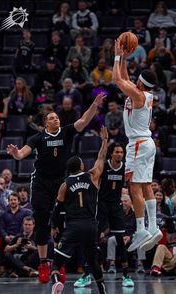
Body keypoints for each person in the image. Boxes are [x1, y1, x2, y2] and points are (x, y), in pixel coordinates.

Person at [6, 93, 105, 283]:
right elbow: (22, 154)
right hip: (42, 182)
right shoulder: (38, 138)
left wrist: (94, 104)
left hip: (61, 182)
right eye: (51, 118)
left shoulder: (66, 132)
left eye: (57, 117)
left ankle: (58, 265)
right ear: (45, 124)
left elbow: (84, 120)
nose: (55, 119)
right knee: (42, 222)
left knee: (62, 222)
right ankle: (43, 263)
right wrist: (16, 153)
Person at [113, 39, 162, 253]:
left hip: (138, 144)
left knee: (133, 186)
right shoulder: (143, 93)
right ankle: (153, 226)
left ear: (140, 83)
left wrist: (115, 55)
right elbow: (124, 77)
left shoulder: (138, 95)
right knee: (146, 185)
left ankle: (141, 228)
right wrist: (124, 57)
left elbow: (116, 79)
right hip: (147, 143)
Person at [50, 127, 108, 294]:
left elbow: (57, 209)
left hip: (74, 226)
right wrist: (104, 140)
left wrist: (54, 226)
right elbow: (101, 157)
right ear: (81, 166)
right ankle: (102, 290)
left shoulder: (65, 184)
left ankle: (55, 283)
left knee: (57, 262)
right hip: (91, 226)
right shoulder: (92, 176)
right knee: (93, 261)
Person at [97, 143, 134, 286]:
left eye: (121, 152)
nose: (120, 154)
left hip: (116, 205)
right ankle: (87, 273)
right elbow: (96, 181)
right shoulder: (104, 166)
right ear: (111, 154)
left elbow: (130, 187)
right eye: (117, 152)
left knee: (120, 239)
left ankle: (126, 275)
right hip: (102, 204)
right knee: (94, 239)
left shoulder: (125, 168)